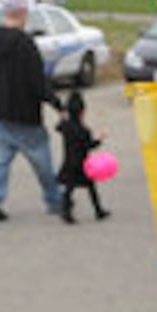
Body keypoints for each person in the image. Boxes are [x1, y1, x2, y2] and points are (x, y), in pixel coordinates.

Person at [0, 0, 62, 223]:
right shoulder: (25, 43)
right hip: (26, 114)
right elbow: (37, 81)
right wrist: (58, 105)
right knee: (42, 162)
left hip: (0, 112)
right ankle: (56, 201)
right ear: (22, 13)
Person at [55, 91, 109, 224]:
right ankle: (98, 211)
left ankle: (66, 212)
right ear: (82, 112)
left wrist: (63, 117)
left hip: (69, 162)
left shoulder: (66, 127)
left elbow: (57, 127)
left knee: (69, 188)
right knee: (91, 187)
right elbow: (90, 146)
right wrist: (100, 139)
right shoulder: (84, 131)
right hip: (82, 164)